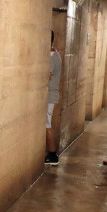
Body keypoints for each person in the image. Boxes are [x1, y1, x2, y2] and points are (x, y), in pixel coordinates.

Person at [45, 30, 62, 165]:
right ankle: (51, 154)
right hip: (52, 94)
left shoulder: (51, 56)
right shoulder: (56, 54)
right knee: (47, 123)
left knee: (47, 124)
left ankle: (52, 155)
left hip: (49, 94)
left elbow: (47, 76)